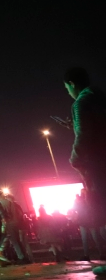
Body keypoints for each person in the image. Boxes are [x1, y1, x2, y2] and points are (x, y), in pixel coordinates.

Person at [64, 67, 106, 223]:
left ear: (72, 84)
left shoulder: (80, 103)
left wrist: (75, 158)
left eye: (66, 87)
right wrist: (73, 125)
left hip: (97, 163)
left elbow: (84, 135)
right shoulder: (100, 98)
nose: (68, 92)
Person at [0, 191, 28, 265]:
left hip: (8, 224)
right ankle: (24, 257)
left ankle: (21, 257)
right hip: (15, 223)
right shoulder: (10, 202)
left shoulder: (0, 204)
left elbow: (2, 216)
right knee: (17, 241)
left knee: (13, 242)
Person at [73, 190, 103, 261]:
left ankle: (87, 255)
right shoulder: (89, 200)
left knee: (86, 239)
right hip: (90, 222)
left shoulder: (79, 200)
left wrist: (77, 202)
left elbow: (76, 209)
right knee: (95, 238)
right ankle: (102, 254)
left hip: (84, 222)